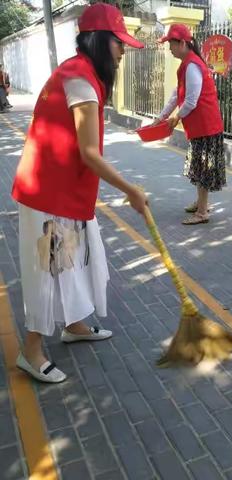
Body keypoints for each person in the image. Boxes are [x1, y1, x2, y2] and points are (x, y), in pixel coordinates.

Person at [11, 3, 147, 383]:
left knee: (66, 262)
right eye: (119, 43)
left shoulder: (82, 73)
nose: (122, 52)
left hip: (63, 192)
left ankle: (73, 325)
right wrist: (131, 190)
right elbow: (90, 154)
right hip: (48, 195)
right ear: (100, 41)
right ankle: (31, 350)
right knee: (48, 270)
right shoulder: (81, 81)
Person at [156, 23, 225, 225]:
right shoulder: (187, 65)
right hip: (201, 126)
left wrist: (175, 118)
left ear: (183, 43)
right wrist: (161, 117)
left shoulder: (192, 65)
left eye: (171, 43)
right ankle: (201, 203)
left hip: (206, 127)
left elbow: (191, 101)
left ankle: (202, 212)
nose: (169, 48)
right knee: (200, 167)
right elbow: (176, 95)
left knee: (202, 169)